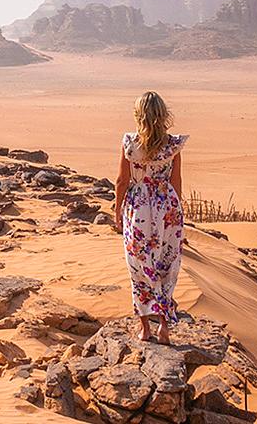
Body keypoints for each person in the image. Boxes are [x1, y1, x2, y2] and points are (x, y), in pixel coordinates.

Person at [111, 91, 187, 344]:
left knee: (139, 266)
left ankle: (145, 328)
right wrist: (177, 212)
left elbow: (122, 180)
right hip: (167, 208)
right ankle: (164, 326)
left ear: (138, 115)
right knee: (166, 264)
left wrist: (117, 210)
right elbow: (176, 181)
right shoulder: (172, 145)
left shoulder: (130, 144)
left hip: (139, 208)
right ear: (163, 114)